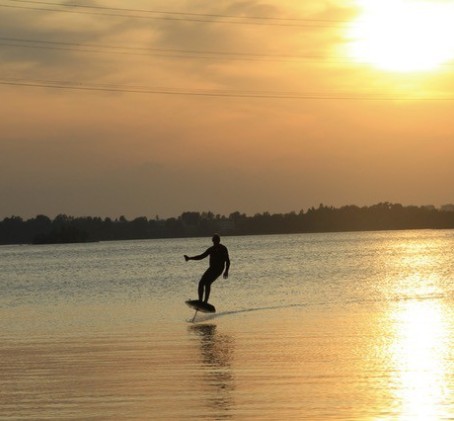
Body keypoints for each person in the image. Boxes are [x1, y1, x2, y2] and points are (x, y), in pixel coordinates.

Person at [184, 234, 230, 304]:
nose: (215, 242)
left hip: (219, 269)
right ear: (212, 241)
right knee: (201, 283)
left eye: (216, 240)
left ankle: (205, 302)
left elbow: (227, 261)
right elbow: (201, 256)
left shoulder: (223, 248)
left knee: (208, 283)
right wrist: (190, 258)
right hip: (211, 269)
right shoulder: (211, 249)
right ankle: (200, 301)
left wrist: (226, 271)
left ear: (219, 241)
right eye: (214, 241)